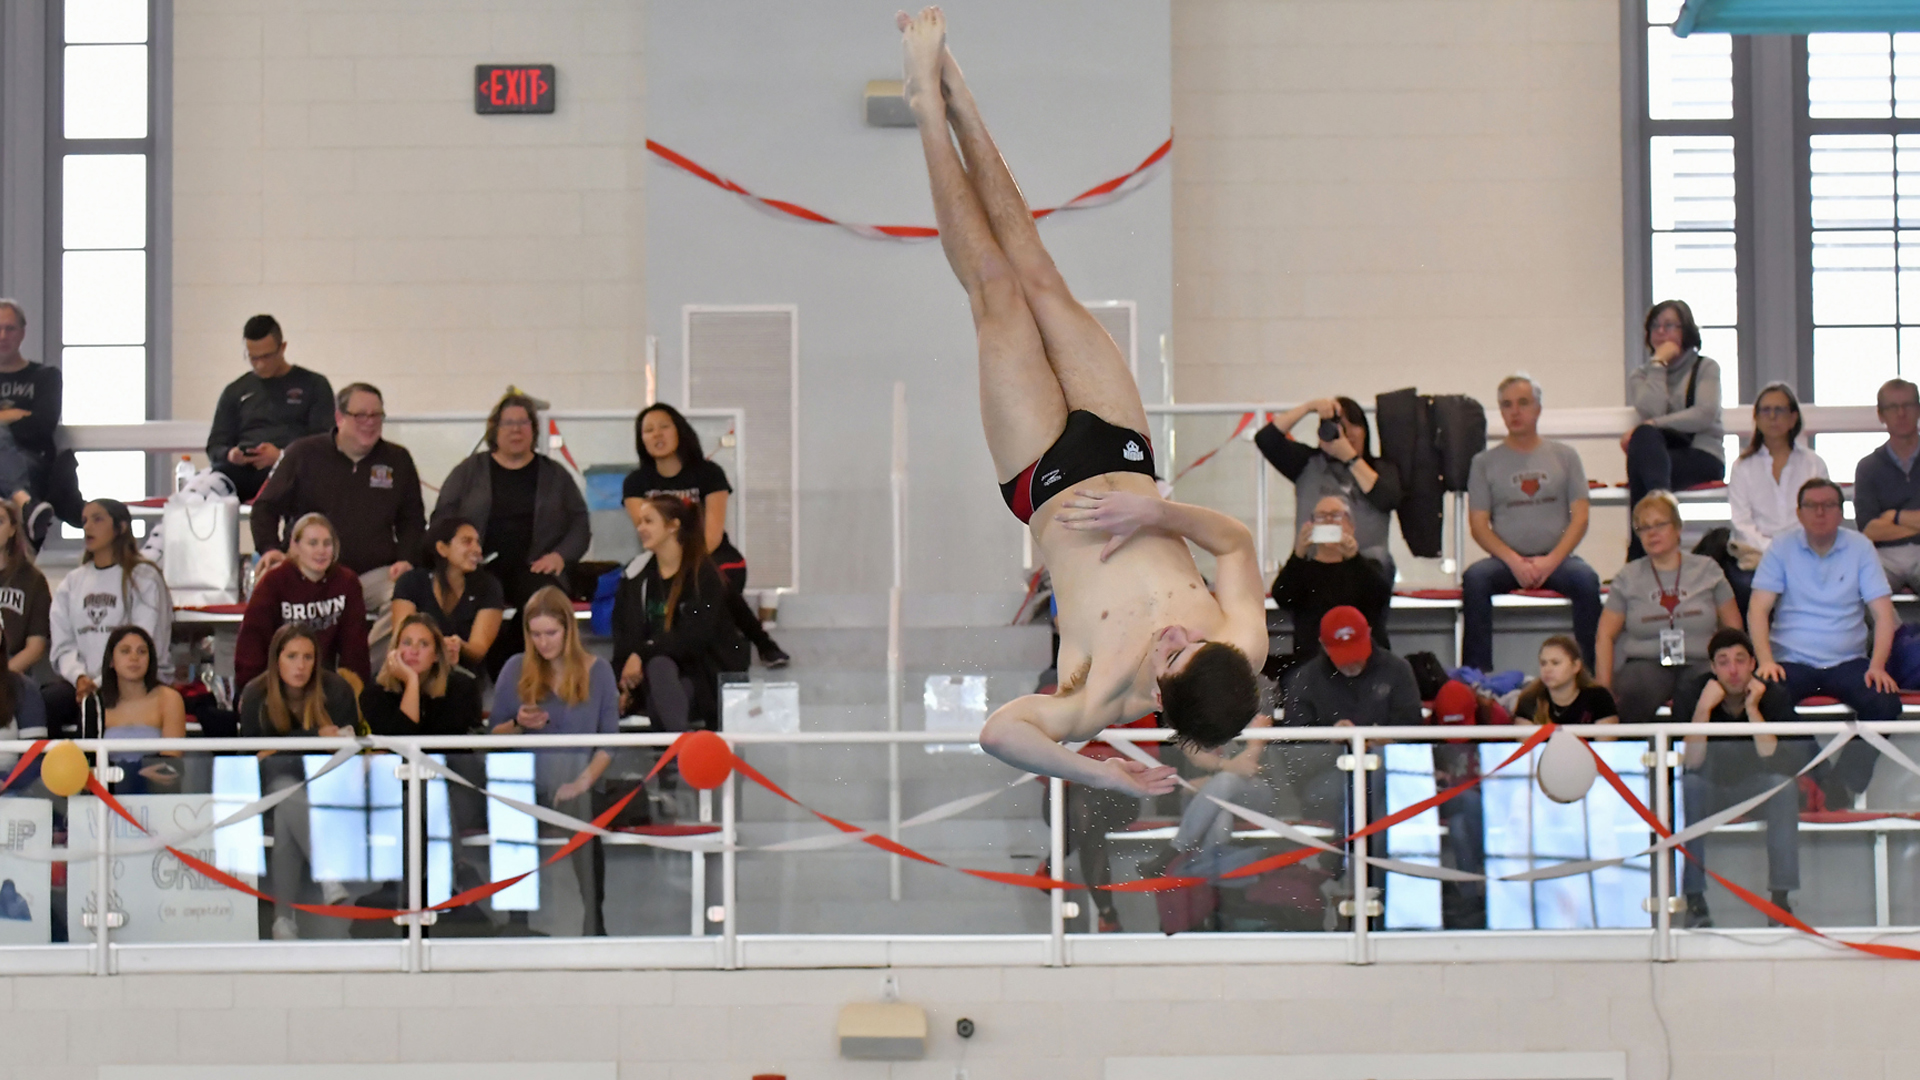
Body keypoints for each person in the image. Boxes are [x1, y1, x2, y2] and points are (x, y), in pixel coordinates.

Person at [901, 9, 1266, 794]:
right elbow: (1235, 545)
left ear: (1160, 695)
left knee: (995, 292)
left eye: (1171, 654)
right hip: (1125, 454)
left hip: (1042, 476)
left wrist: (1102, 778)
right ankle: (960, 97)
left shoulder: (1097, 696)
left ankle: (926, 111)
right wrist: (1159, 516)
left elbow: (1000, 732)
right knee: (1039, 272)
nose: (1175, 632)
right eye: (1190, 639)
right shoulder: (1242, 645)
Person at [1751, 477, 1899, 807]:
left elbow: (1884, 615)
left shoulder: (1860, 547)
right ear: (1799, 513)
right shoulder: (1781, 547)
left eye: (1829, 505)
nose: (1820, 512)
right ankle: (1816, 776)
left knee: (1886, 703)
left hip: (1848, 661)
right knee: (1764, 697)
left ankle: (1842, 784)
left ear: (1841, 512)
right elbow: (1758, 609)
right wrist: (1765, 662)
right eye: (1811, 506)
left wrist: (1877, 666)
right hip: (1792, 660)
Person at [252, 382, 425, 656]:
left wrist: (406, 558)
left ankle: (370, 674)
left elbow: (413, 520)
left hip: (372, 575)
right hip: (310, 574)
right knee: (268, 590)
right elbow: (265, 507)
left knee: (408, 591)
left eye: (376, 415)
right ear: (339, 417)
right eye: (361, 415)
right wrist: (271, 549)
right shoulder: (303, 454)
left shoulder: (398, 460)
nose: (369, 423)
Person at [489, 586, 620, 936]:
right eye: (536, 635)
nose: (544, 643)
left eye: (551, 633)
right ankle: (517, 920)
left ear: (568, 631)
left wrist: (582, 782)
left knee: (581, 801)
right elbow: (491, 738)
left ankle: (594, 920)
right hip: (528, 784)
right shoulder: (516, 668)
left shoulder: (600, 671)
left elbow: (609, 743)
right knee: (511, 799)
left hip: (580, 781)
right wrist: (518, 724)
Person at [430, 391, 590, 677]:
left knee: (547, 599)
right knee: (467, 600)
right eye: (508, 423)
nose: (516, 429)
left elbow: (579, 522)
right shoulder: (469, 471)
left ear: (533, 429)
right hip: (476, 569)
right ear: (494, 429)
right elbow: (442, 518)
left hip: (534, 566)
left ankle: (509, 662)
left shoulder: (555, 474)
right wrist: (460, 554)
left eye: (523, 422)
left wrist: (560, 556)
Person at [1279, 606, 1423, 914]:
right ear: (1323, 646)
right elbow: (1292, 756)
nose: (1353, 662)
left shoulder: (1397, 670)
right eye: (1343, 655)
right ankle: (1377, 889)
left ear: (1369, 635)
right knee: (1370, 800)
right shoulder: (1304, 680)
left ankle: (1348, 875)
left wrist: (1383, 739)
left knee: (1376, 788)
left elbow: (1416, 736)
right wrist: (1330, 739)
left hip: (1389, 779)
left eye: (1356, 651)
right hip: (1327, 780)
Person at [624, 402, 790, 668]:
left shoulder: (709, 473)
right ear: (641, 440)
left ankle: (760, 645)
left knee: (712, 574)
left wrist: (689, 562)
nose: (657, 435)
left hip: (711, 552)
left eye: (664, 427)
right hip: (664, 556)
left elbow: (711, 534)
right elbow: (646, 530)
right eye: (648, 430)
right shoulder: (635, 482)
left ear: (680, 431)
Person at [1462, 375, 1600, 672]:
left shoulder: (1565, 457)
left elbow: (1581, 516)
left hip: (1558, 560)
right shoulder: (1483, 463)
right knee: (1475, 579)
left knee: (1587, 581)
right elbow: (1478, 524)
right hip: (1505, 562)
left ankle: (1590, 673)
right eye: (1507, 405)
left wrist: (1550, 561)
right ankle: (1476, 677)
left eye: (1523, 403)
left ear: (1538, 408)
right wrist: (1514, 561)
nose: (1515, 411)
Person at [237, 623, 361, 940]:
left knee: (286, 811)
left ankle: (283, 920)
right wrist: (315, 738)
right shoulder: (256, 695)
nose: (301, 665)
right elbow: (256, 759)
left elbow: (347, 750)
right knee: (283, 790)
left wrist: (285, 748)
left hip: (326, 790)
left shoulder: (336, 691)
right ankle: (328, 872)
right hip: (269, 790)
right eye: (292, 656)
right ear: (276, 659)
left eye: (308, 657)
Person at [1676, 628, 1804, 929]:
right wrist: (1703, 710)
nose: (1732, 670)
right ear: (1712, 668)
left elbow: (1775, 760)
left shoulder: (1773, 695)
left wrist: (1752, 709)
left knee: (1782, 788)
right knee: (1690, 786)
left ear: (1752, 664)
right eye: (1723, 662)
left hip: (1755, 789)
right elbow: (1691, 763)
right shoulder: (1693, 692)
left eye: (1740, 660)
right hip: (1710, 790)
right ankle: (1694, 901)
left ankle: (1780, 901)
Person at [1593, 492, 1741, 725]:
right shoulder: (1628, 577)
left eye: (1659, 524)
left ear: (1678, 528)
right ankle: (1639, 759)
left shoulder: (1707, 570)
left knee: (1699, 691)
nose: (1652, 533)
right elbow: (1605, 635)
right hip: (1646, 663)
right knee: (1633, 692)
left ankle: (1694, 760)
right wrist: (1602, 690)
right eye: (1643, 528)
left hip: (1700, 660)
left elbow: (1733, 628)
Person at [610, 496, 749, 731]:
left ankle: (676, 754)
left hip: (703, 678)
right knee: (659, 682)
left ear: (673, 526)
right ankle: (681, 753)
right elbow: (624, 635)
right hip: (654, 682)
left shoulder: (703, 575)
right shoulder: (636, 575)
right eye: (640, 522)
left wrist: (642, 654)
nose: (640, 528)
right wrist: (622, 685)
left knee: (659, 668)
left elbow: (695, 636)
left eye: (648, 521)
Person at [45, 500, 172, 739]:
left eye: (97, 519)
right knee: (48, 702)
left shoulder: (143, 577)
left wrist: (101, 682)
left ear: (121, 527)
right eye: (84, 521)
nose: (88, 527)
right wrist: (80, 677)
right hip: (81, 683)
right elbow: (63, 645)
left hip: (131, 681)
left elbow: (144, 640)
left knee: (95, 706)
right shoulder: (72, 582)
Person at [1255, 396, 1403, 575]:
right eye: (1338, 426)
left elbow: (1388, 499)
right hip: (1315, 567)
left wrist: (1350, 458)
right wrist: (1309, 406)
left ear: (1365, 430)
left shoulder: (1382, 469)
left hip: (1367, 570)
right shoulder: (1308, 463)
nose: (1346, 433)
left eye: (1353, 425)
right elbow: (1266, 438)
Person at [1623, 300, 1724, 558]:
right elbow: (1652, 410)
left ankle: (1639, 555)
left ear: (1686, 330)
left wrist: (1655, 424)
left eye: (1669, 326)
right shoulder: (1642, 375)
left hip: (1701, 455)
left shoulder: (1706, 367)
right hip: (1660, 460)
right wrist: (1658, 366)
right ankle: (1663, 508)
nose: (1661, 332)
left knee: (1642, 463)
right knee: (1644, 444)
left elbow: (1704, 414)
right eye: (1655, 326)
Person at [205, 314, 336, 501]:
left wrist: (281, 456)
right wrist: (231, 454)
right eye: (253, 358)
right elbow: (215, 445)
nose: (260, 364)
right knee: (210, 483)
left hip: (294, 473)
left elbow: (323, 443)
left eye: (266, 356)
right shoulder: (235, 391)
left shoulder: (314, 385)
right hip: (243, 474)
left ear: (282, 348)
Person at [233, 512, 369, 690]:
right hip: (278, 682)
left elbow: (355, 649)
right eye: (312, 543)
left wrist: (355, 693)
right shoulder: (273, 582)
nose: (321, 551)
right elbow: (252, 642)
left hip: (325, 682)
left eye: (327, 544)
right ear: (295, 546)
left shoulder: (347, 582)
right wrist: (249, 690)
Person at [1727, 382, 1828, 614]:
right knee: (1749, 587)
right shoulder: (1742, 466)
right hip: (1755, 554)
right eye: (1766, 410)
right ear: (1757, 419)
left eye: (1780, 410)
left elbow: (1821, 515)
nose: (1772, 417)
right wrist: (1774, 553)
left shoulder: (1813, 463)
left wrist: (1794, 552)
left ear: (1793, 418)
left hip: (1806, 550)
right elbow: (1741, 523)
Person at [1269, 494, 1391, 659]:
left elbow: (1379, 598)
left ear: (1351, 525)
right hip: (1312, 662)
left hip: (1364, 660)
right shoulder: (1302, 569)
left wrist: (1354, 558)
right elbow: (1282, 597)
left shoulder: (1367, 566)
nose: (1328, 520)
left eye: (1336, 515)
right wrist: (1298, 554)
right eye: (1320, 516)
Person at [391, 516, 504, 674]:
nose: (477, 549)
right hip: (416, 671)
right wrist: (437, 644)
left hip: (463, 675)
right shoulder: (411, 582)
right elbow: (401, 635)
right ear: (442, 548)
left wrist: (458, 645)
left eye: (477, 542)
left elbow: (478, 650)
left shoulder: (489, 587)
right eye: (467, 541)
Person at [91, 626, 187, 794]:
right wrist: (138, 772)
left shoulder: (169, 699)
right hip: (106, 799)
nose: (134, 657)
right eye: (125, 651)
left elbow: (170, 766)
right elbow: (86, 768)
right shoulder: (94, 703)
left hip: (156, 797)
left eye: (142, 652)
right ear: (111, 661)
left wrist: (120, 773)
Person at [360, 614, 484, 738]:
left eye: (424, 644)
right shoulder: (376, 691)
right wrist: (411, 681)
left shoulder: (461, 688)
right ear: (395, 649)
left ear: (436, 654)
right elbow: (402, 744)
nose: (414, 651)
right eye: (407, 643)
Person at [0, 300, 61, 546]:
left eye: (10, 328)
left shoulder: (45, 377)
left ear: (22, 333)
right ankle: (25, 503)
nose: (3, 335)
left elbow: (41, 427)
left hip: (30, 460)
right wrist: (11, 415)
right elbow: (27, 424)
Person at [1854, 377, 1920, 594]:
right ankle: (1899, 630)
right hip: (1883, 557)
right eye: (1892, 407)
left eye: (1907, 405)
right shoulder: (1868, 467)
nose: (1901, 414)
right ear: (1881, 414)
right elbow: (1870, 529)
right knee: (1856, 589)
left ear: (1918, 409)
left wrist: (1895, 516)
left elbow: (1880, 525)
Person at [1513, 635, 1619, 727]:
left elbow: (1605, 747)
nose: (1547, 669)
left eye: (1555, 663)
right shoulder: (1529, 700)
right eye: (1543, 663)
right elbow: (1527, 748)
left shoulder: (1600, 699)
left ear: (1576, 666)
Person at [0, 499, 51, 676]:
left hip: (13, 674)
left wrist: (3, 675)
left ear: (12, 530)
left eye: (0, 521)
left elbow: (35, 647)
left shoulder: (32, 579)